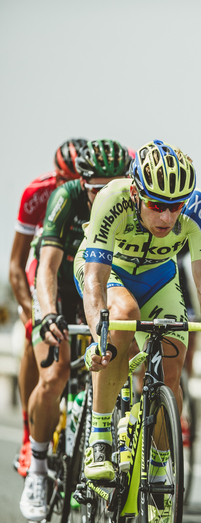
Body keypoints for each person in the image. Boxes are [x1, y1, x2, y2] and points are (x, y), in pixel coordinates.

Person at [75, 140, 201, 523]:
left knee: (172, 355)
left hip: (158, 277)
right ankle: (100, 433)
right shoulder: (112, 198)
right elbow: (95, 279)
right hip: (109, 271)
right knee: (124, 315)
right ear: (136, 193)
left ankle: (163, 470)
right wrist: (100, 333)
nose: (167, 217)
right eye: (157, 205)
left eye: (175, 207)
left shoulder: (196, 208)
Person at [19, 139, 130, 521]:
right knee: (55, 374)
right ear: (83, 184)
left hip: (96, 286)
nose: (108, 194)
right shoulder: (65, 198)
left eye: (116, 184)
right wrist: (48, 314)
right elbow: (46, 267)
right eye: (99, 187)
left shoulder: (128, 202)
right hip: (58, 291)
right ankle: (36, 466)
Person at [9, 138, 86, 478]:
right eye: (63, 180)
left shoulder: (95, 194)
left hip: (80, 273)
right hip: (44, 267)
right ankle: (29, 435)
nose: (70, 187)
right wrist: (29, 312)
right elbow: (16, 265)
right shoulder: (38, 193)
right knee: (33, 336)